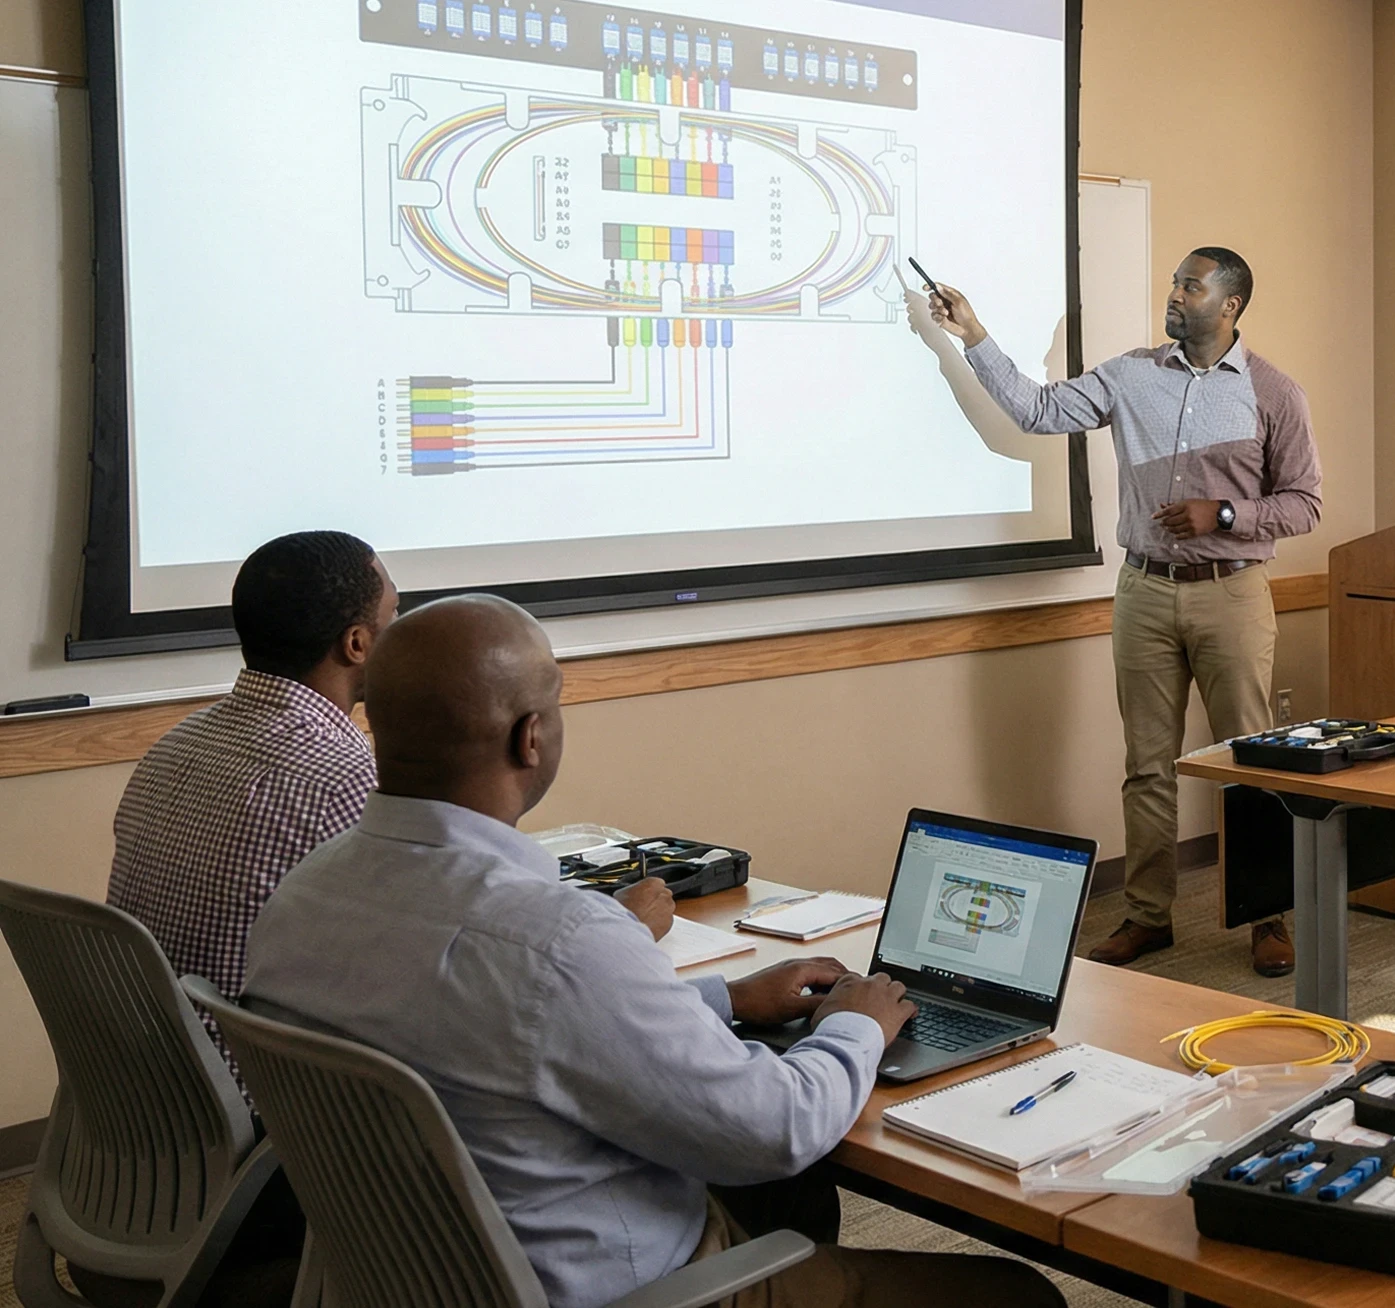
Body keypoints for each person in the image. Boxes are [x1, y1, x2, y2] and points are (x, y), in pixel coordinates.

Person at [245, 596, 1060, 1308]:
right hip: (614, 1287)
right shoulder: (557, 939)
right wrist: (856, 1024)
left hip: (409, 1275)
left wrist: (726, 1000)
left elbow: (498, 1033)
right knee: (1018, 1294)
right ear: (532, 737)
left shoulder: (302, 897)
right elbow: (774, 1127)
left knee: (789, 1199)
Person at [917, 248, 1319, 977]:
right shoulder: (1132, 374)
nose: (1175, 294)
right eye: (1175, 282)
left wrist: (1225, 512)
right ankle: (1147, 916)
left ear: (1230, 305)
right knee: (1147, 766)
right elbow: (1039, 411)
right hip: (1144, 591)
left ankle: (1269, 915)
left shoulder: (1273, 391)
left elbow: (1304, 503)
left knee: (1250, 759)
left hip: (1232, 591)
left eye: (1191, 286)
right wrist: (972, 333)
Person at [108, 532, 399, 1009]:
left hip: (138, 1050)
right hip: (244, 1056)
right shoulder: (342, 779)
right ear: (356, 643)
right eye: (395, 614)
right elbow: (400, 956)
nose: (402, 631)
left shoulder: (175, 744)